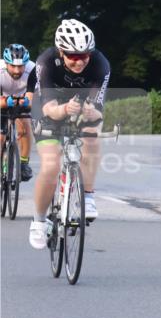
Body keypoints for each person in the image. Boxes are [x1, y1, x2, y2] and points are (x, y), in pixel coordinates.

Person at [29, 19, 111, 250]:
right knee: (51, 164)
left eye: (84, 55)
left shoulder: (100, 64)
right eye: (73, 56)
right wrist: (64, 110)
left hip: (80, 105)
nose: (79, 61)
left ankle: (87, 195)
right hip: (48, 108)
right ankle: (38, 221)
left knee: (92, 132)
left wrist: (90, 111)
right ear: (61, 52)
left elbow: (98, 109)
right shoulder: (46, 62)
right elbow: (48, 108)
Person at [1, 44, 37, 182]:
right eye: (13, 66)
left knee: (25, 128)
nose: (17, 70)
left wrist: (26, 102)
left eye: (21, 66)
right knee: (0, 137)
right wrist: (6, 102)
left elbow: (33, 97)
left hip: (23, 100)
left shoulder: (33, 69)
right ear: (6, 63)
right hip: (3, 100)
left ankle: (23, 163)